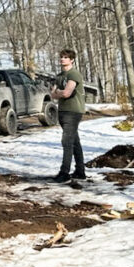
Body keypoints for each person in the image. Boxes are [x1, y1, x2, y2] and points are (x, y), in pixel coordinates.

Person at [50, 49, 86, 182]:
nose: (62, 59)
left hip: (73, 111)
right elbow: (53, 95)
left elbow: (66, 93)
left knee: (67, 141)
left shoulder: (74, 74)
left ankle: (64, 172)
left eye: (65, 57)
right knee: (74, 141)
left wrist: (59, 92)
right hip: (63, 111)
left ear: (72, 60)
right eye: (61, 57)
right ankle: (80, 171)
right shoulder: (59, 76)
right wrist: (60, 92)